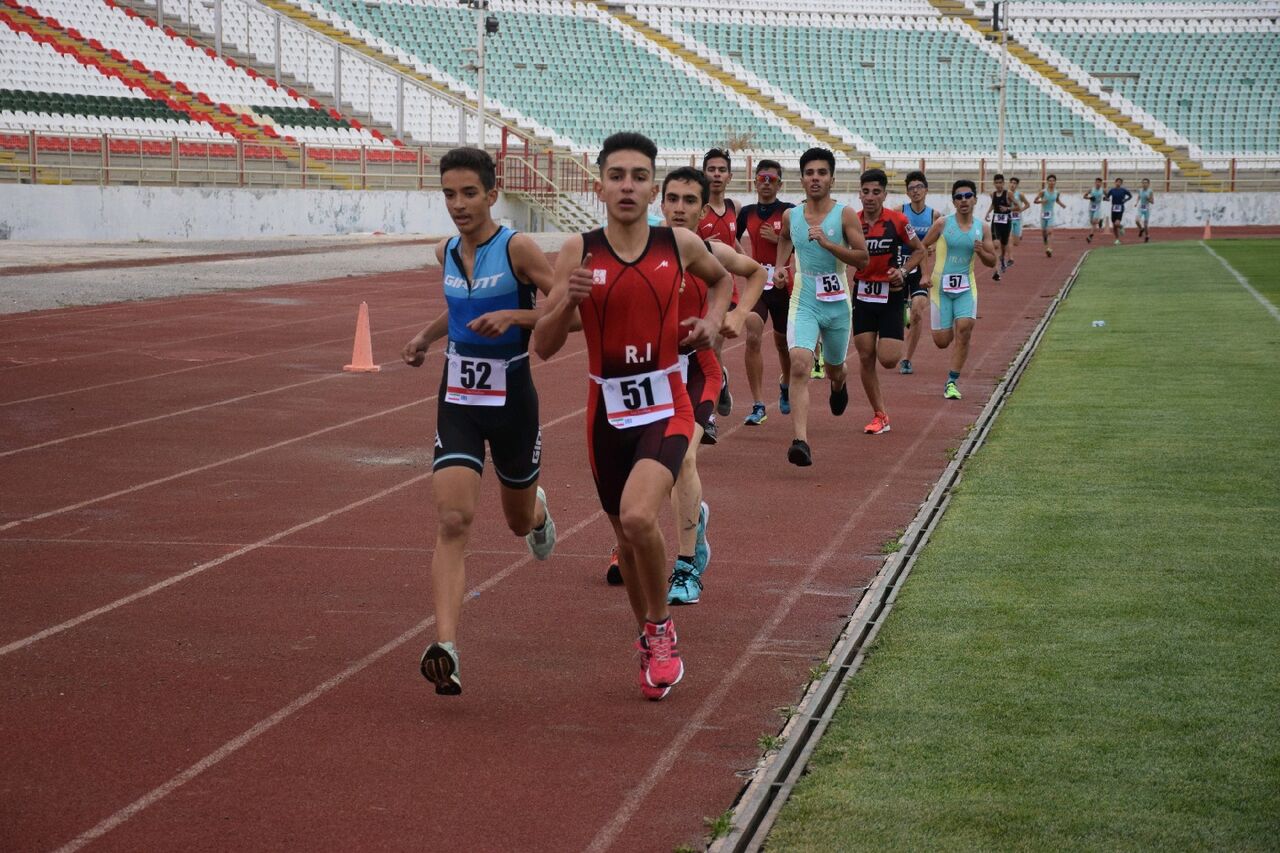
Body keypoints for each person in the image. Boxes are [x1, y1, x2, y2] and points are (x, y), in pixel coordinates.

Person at [532, 132, 733, 701]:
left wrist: (715, 320)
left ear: (653, 186)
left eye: (639, 176)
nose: (627, 185)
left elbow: (722, 282)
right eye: (616, 175)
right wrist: (566, 301)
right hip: (606, 412)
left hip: (667, 402)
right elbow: (544, 346)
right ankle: (649, 633)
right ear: (599, 186)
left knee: (641, 518)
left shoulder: (680, 242)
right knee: (625, 533)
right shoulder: (578, 251)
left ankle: (662, 627)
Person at [401, 147, 559, 696]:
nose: (459, 204)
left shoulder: (517, 248)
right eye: (449, 194)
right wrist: (426, 337)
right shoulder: (446, 249)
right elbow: (461, 308)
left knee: (516, 522)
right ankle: (446, 646)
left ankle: (538, 513)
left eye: (469, 193)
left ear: (493, 194)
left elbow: (569, 306)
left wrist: (517, 315)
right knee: (452, 519)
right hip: (460, 401)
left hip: (513, 401)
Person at [659, 167, 764, 604]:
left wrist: (736, 316)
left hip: (697, 370)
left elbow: (756, 272)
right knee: (645, 467)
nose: (679, 208)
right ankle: (648, 536)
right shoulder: (638, 251)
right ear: (660, 203)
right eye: (672, 199)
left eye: (689, 201)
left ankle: (685, 569)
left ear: (703, 208)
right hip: (648, 374)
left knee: (682, 458)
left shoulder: (710, 250)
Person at [773, 147, 869, 465]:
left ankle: (839, 384)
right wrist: (780, 266)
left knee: (833, 368)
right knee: (799, 362)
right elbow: (785, 237)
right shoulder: (792, 215)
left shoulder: (844, 215)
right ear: (801, 178)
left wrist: (829, 244)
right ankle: (800, 441)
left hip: (837, 300)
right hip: (805, 296)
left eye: (822, 173)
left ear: (831, 178)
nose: (815, 178)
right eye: (810, 173)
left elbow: (863, 258)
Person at [852, 167, 925, 435]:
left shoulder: (898, 220)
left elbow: (919, 250)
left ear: (884, 195)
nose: (870, 197)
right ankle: (880, 414)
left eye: (876, 192)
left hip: (891, 294)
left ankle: (904, 314)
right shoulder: (852, 222)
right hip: (862, 293)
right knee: (866, 354)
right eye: (865, 191)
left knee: (889, 359)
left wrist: (903, 272)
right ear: (859, 194)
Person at [921, 179, 998, 400]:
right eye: (958, 197)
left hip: (966, 286)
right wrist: (925, 274)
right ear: (953, 201)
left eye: (967, 196)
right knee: (942, 341)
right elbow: (922, 247)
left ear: (975, 199)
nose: (963, 200)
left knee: (965, 329)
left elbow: (992, 261)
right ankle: (949, 323)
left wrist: (982, 251)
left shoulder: (982, 227)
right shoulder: (943, 224)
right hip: (940, 287)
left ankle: (952, 381)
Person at [736, 159, 795, 423]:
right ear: (755, 182)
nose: (766, 184)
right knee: (753, 336)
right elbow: (731, 240)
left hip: (782, 284)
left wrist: (781, 240)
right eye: (762, 179)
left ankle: (786, 385)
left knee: (783, 344)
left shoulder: (789, 212)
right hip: (758, 282)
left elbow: (802, 244)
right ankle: (758, 404)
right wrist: (744, 261)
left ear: (780, 183)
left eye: (772, 180)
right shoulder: (746, 212)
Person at [697, 147, 740, 420]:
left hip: (726, 290)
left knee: (713, 346)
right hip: (699, 290)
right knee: (698, 350)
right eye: (711, 169)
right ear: (704, 174)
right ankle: (721, 381)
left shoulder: (733, 208)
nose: (716, 174)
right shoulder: (697, 209)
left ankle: (708, 417)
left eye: (721, 170)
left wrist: (749, 265)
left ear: (729, 175)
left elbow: (733, 242)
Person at [898, 170, 938, 376]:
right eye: (911, 188)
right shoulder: (900, 212)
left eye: (919, 187)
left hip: (920, 271)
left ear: (926, 190)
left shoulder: (934, 216)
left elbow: (937, 243)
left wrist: (930, 249)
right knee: (895, 316)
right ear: (907, 193)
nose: (915, 191)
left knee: (917, 313)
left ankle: (906, 359)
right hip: (899, 268)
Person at [1033, 174, 1067, 257]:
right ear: (1047, 182)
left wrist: (1062, 204)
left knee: (1050, 231)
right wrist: (1042, 201)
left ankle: (1049, 249)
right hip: (1043, 214)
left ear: (1055, 182)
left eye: (1053, 181)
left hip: (1051, 214)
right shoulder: (1043, 192)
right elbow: (1035, 201)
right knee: (1044, 232)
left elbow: (1057, 200)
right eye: (1050, 181)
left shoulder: (1057, 192)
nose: (1051, 182)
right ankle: (1045, 239)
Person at [988, 173, 1013, 279]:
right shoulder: (992, 194)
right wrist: (987, 213)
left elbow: (1018, 206)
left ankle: (1002, 258)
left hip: (1006, 222)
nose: (998, 185)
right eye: (996, 183)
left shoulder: (1009, 194)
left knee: (1003, 246)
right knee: (996, 244)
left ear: (1003, 183)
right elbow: (994, 204)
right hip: (996, 222)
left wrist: (1008, 209)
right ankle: (997, 271)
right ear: (994, 183)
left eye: (1000, 183)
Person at [1008, 176, 1031, 260]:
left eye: (1015, 183)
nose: (1012, 185)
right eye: (1011, 183)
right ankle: (1009, 255)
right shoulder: (1006, 193)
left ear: (1017, 185)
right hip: (1008, 218)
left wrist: (1021, 210)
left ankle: (1018, 236)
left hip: (1017, 218)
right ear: (1009, 183)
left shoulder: (1020, 194)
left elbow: (1027, 204)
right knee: (1008, 237)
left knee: (1016, 243)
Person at [1107, 177, 1133, 245]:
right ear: (1115, 182)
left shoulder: (1123, 190)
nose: (1118, 183)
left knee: (1117, 224)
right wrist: (1105, 198)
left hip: (1120, 207)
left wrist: (1126, 200)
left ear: (1121, 183)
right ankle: (1117, 239)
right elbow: (1107, 197)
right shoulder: (1112, 190)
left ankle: (1121, 227)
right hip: (1113, 208)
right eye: (1117, 182)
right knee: (1114, 226)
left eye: (1120, 182)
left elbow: (1130, 196)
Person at [1084, 177, 1105, 242]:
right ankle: (1100, 221)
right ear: (1095, 183)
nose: (1098, 183)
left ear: (1101, 183)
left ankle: (1090, 236)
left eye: (1099, 182)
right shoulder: (1091, 189)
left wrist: (1106, 198)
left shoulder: (1103, 190)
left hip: (1098, 207)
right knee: (1091, 222)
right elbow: (1084, 196)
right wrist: (1089, 198)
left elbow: (1107, 196)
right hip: (1091, 207)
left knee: (1094, 221)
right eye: (1097, 182)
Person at [1135, 177, 1155, 242]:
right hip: (1141, 208)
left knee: (1146, 225)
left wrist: (1148, 198)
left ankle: (1147, 236)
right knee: (1137, 221)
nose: (1144, 184)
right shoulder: (1140, 190)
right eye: (1143, 183)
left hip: (1147, 209)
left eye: (1146, 183)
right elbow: (1139, 197)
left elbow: (1152, 202)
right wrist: (1136, 202)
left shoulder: (1150, 191)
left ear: (1148, 184)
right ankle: (1141, 229)